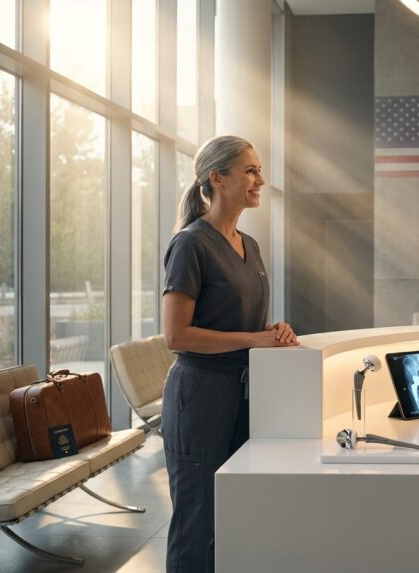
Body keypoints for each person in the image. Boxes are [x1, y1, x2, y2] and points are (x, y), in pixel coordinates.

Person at [161, 135, 299, 573]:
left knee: (236, 517)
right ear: (217, 179)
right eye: (250, 170)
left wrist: (273, 330)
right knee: (197, 523)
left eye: (259, 169)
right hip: (199, 398)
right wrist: (253, 339)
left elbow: (242, 322)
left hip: (244, 396)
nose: (260, 179)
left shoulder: (250, 245)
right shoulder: (191, 244)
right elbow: (176, 335)